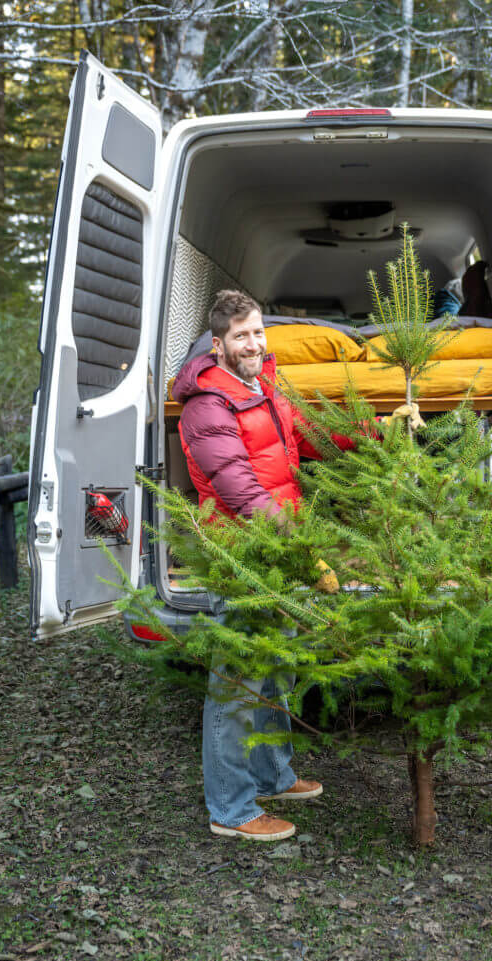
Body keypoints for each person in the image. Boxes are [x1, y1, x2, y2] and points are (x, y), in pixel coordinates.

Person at [171, 290, 341, 841]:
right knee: (239, 685)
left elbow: (307, 433)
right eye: (242, 335)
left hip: (279, 549)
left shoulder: (261, 384)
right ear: (218, 343)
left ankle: (273, 775)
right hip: (243, 553)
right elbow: (239, 490)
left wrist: (379, 431)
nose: (253, 343)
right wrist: (303, 551)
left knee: (277, 671)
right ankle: (234, 811)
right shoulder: (207, 403)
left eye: (259, 332)